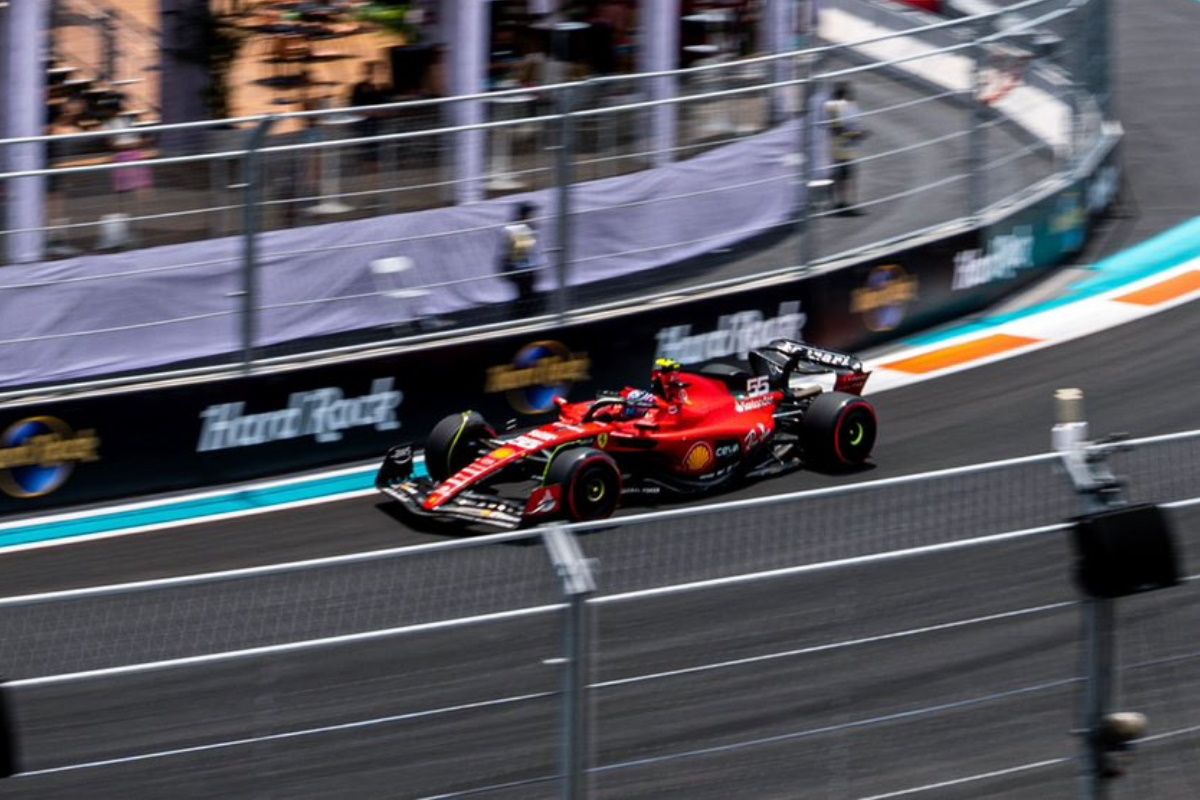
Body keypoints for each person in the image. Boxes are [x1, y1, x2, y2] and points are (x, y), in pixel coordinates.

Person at [825, 81, 867, 215]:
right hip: (841, 148)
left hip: (843, 148)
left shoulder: (841, 106)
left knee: (844, 176)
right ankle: (843, 204)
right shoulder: (835, 107)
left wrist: (856, 134)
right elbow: (836, 129)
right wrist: (855, 135)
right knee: (844, 176)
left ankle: (843, 203)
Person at [499, 201, 543, 315]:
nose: (534, 217)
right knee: (526, 298)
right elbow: (519, 255)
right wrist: (531, 271)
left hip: (518, 268)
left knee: (526, 297)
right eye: (531, 214)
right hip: (519, 270)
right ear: (524, 215)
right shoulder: (521, 230)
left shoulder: (521, 227)